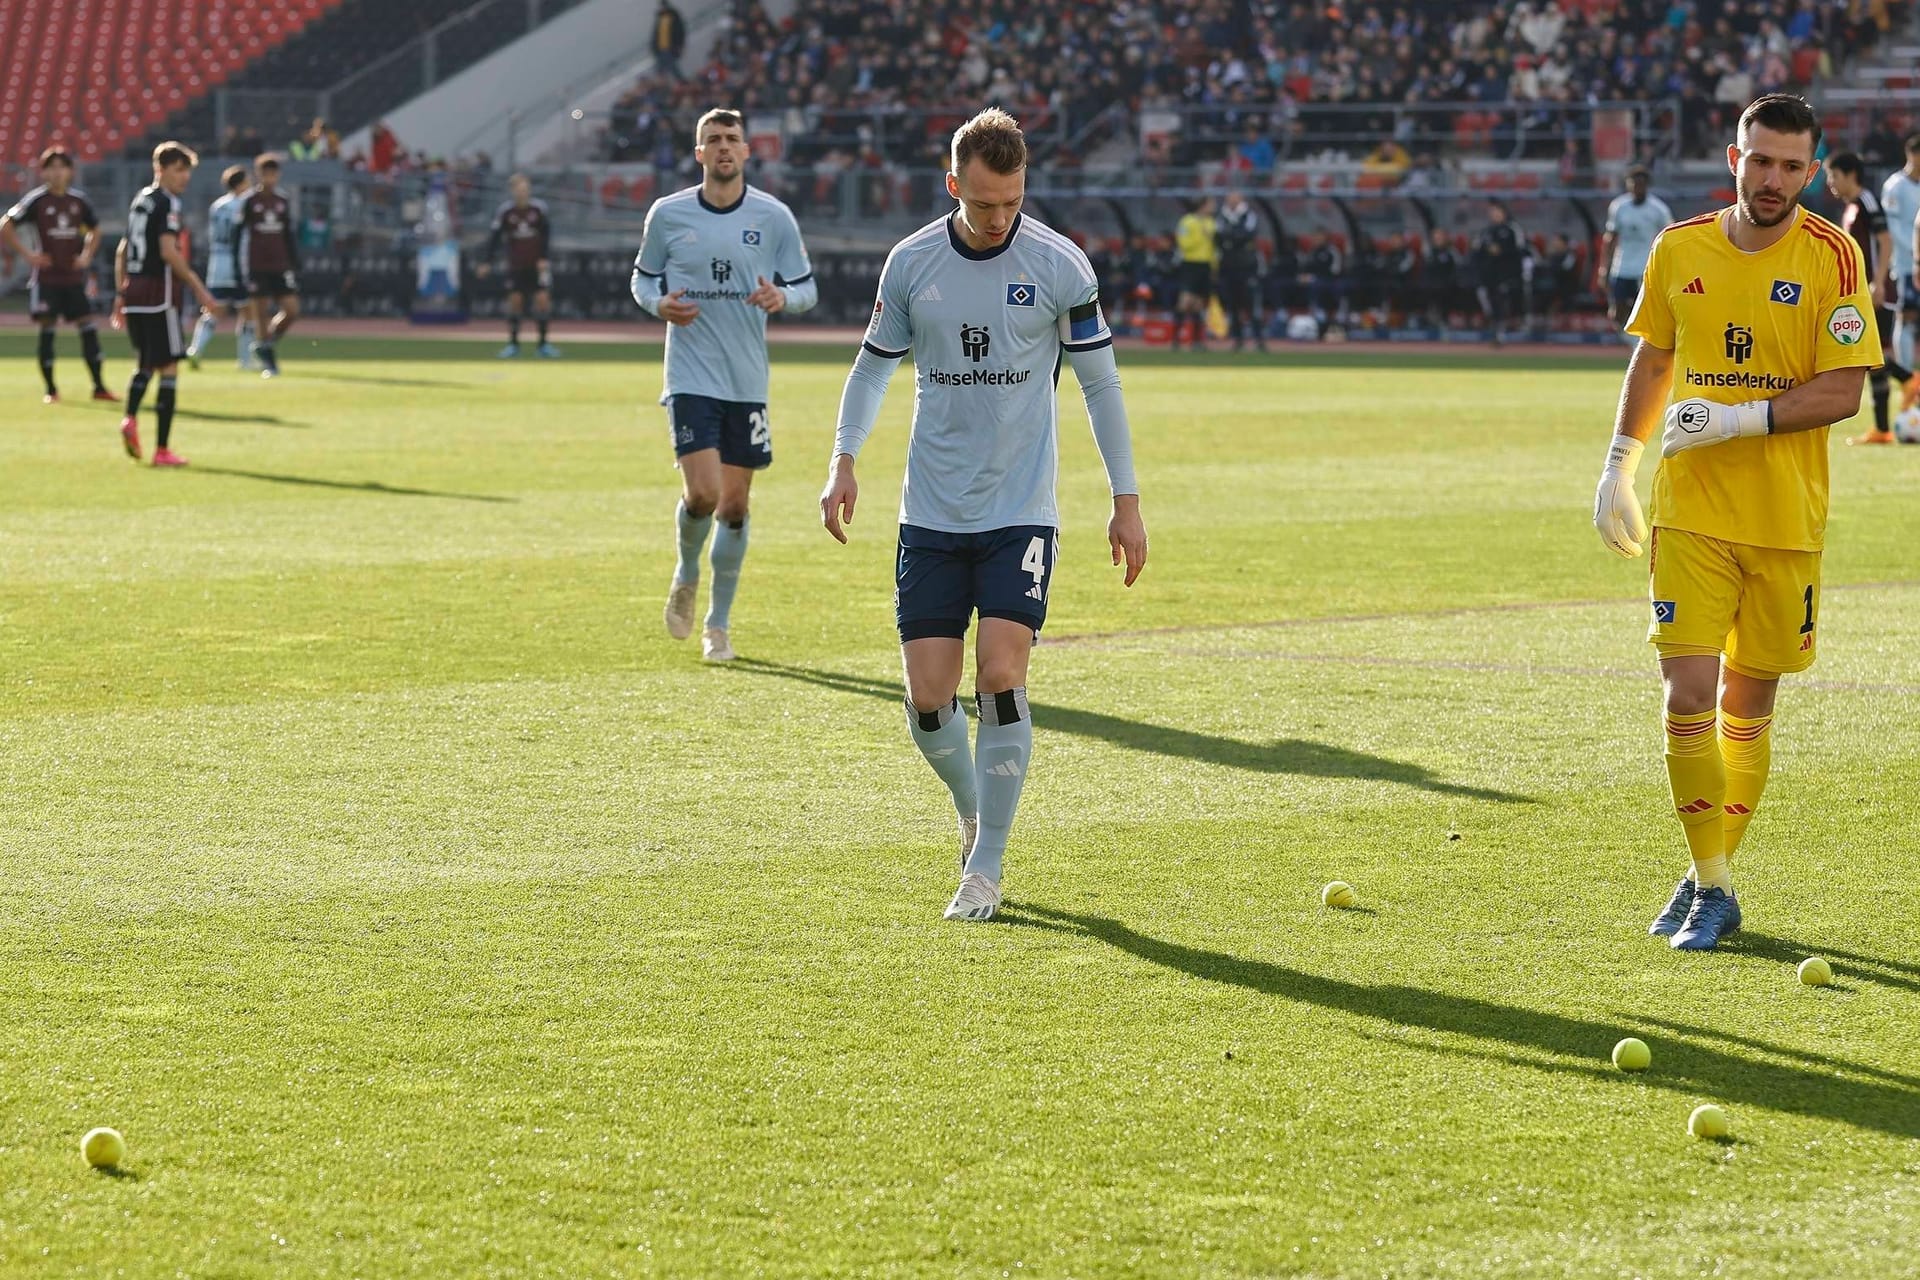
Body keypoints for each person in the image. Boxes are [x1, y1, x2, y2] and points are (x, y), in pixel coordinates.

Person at [820, 107, 1147, 924]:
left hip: (1020, 509)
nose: (999, 217)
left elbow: (1100, 386)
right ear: (953, 182)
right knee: (930, 697)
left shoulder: (1062, 266)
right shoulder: (911, 264)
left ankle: (988, 868)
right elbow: (870, 371)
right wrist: (843, 458)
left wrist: (1126, 499)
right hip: (930, 510)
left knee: (1000, 673)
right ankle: (973, 810)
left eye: (1012, 201)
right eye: (984, 202)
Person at [1591, 95, 1876, 951]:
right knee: (1685, 698)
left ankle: (1704, 873)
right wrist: (1618, 462)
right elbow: (1656, 354)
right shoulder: (1680, 247)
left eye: (1792, 166)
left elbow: (1845, 388)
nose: (1774, 180)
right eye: (1761, 161)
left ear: (1812, 171)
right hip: (1693, 515)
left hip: (1786, 519)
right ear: (1733, 158)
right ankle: (1714, 884)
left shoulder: (1834, 253)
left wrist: (1734, 419)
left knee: (1747, 706)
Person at [630, 108, 817, 662]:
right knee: (704, 494)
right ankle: (687, 573)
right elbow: (643, 278)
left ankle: (719, 624)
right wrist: (657, 303)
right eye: (713, 139)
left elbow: (807, 288)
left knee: (734, 507)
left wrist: (783, 298)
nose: (724, 147)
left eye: (732, 138)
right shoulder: (667, 214)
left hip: (747, 380)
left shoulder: (774, 217)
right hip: (690, 374)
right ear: (699, 154)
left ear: (747, 151)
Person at [110, 141, 219, 468]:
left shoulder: (139, 200)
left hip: (135, 293)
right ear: (160, 169)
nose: (184, 177)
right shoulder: (168, 203)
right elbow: (169, 252)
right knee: (169, 368)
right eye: (178, 169)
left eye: (187, 170)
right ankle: (162, 449)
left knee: (145, 363)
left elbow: (121, 250)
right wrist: (200, 290)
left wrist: (119, 294)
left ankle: (129, 418)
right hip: (160, 295)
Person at [0, 146, 114, 404]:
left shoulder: (79, 201)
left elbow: (96, 231)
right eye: (51, 167)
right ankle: (51, 390)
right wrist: (28, 255)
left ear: (70, 172)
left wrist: (86, 256)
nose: (57, 172)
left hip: (73, 278)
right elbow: (6, 225)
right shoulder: (36, 201)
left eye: (62, 166)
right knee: (47, 330)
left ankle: (99, 386)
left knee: (88, 327)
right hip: (47, 278)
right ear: (43, 173)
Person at [1825, 151, 1919, 443]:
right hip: (1861, 291)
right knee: (1872, 360)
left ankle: (1909, 379)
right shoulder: (1852, 206)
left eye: (1834, 176)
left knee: (1870, 355)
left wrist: (1878, 282)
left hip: (1875, 291)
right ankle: (1881, 428)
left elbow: (1885, 239)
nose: (1831, 183)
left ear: (1850, 174)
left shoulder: (1866, 201)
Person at [186, 164, 256, 371]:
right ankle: (245, 361)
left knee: (214, 310)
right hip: (239, 262)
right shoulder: (246, 204)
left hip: (217, 262)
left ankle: (195, 350)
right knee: (247, 311)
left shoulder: (217, 206)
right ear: (242, 183)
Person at [235, 154, 300, 378]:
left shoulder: (283, 201)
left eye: (273, 174)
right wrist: (238, 265)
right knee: (260, 313)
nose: (270, 178)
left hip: (280, 264)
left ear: (278, 175)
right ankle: (269, 363)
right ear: (258, 174)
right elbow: (238, 234)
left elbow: (288, 233)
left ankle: (267, 344)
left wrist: (294, 261)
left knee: (291, 310)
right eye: (265, 173)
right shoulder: (249, 201)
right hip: (256, 265)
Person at [479, 174, 557, 358]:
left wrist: (544, 258)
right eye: (519, 189)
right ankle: (513, 345)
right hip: (516, 265)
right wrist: (487, 262)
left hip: (537, 265)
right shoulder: (506, 212)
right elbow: (495, 239)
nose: (523, 192)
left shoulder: (538, 209)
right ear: (513, 191)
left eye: (525, 188)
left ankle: (543, 345)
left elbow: (546, 235)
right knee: (515, 302)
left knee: (543, 300)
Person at [1598, 167, 1675, 335]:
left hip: (1645, 268)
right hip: (1622, 266)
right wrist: (1604, 268)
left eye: (1640, 184)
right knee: (1617, 313)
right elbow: (1610, 238)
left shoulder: (1658, 209)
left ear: (1647, 185)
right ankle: (1629, 343)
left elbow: (1671, 237)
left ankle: (1643, 344)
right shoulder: (1619, 206)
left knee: (1645, 312)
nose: (1636, 188)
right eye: (1633, 184)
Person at [1878, 135, 1920, 373]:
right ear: (1911, 155)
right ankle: (1905, 372)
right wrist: (1914, 253)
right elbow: (1892, 227)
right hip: (1906, 263)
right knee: (1907, 314)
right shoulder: (1895, 186)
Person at [1473, 200, 1531, 345]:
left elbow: (1521, 249)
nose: (1494, 215)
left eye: (1497, 211)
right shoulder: (1486, 231)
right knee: (1491, 299)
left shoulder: (1513, 229)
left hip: (1509, 273)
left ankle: (1514, 325)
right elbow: (1477, 250)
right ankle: (1496, 327)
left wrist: (1502, 251)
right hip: (1490, 273)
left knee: (1506, 298)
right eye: (1492, 212)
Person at [1214, 189, 1265, 351]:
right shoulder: (1221, 215)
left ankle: (1259, 340)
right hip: (1228, 266)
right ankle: (1238, 340)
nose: (1232, 201)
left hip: (1247, 266)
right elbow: (1218, 235)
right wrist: (1234, 238)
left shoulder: (1249, 214)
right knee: (1232, 304)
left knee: (1251, 303)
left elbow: (1248, 234)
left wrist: (1231, 238)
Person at [1172, 196, 1216, 350]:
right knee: (1185, 302)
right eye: (1211, 204)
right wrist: (1201, 235)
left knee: (1199, 305)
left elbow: (1213, 248)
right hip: (1190, 264)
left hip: (1206, 266)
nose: (1213, 207)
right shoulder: (1187, 221)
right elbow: (1184, 244)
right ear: (1202, 205)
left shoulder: (1211, 223)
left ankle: (1197, 341)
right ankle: (1176, 339)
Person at [651, 0, 687, 80]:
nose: (662, 8)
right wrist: (654, 48)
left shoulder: (674, 17)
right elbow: (656, 35)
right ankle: (678, 83)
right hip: (660, 49)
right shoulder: (660, 19)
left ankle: (682, 82)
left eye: (664, 6)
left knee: (671, 68)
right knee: (661, 70)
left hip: (670, 48)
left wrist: (680, 45)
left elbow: (680, 31)